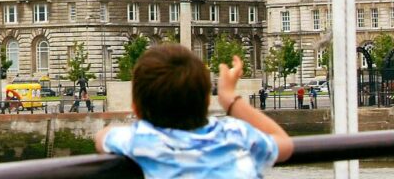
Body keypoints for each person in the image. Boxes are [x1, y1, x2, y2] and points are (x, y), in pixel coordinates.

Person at [96, 45, 293, 178]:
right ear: (208, 100)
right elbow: (284, 144)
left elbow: (102, 136)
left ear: (136, 109)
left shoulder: (143, 140)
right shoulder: (235, 133)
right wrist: (229, 98)